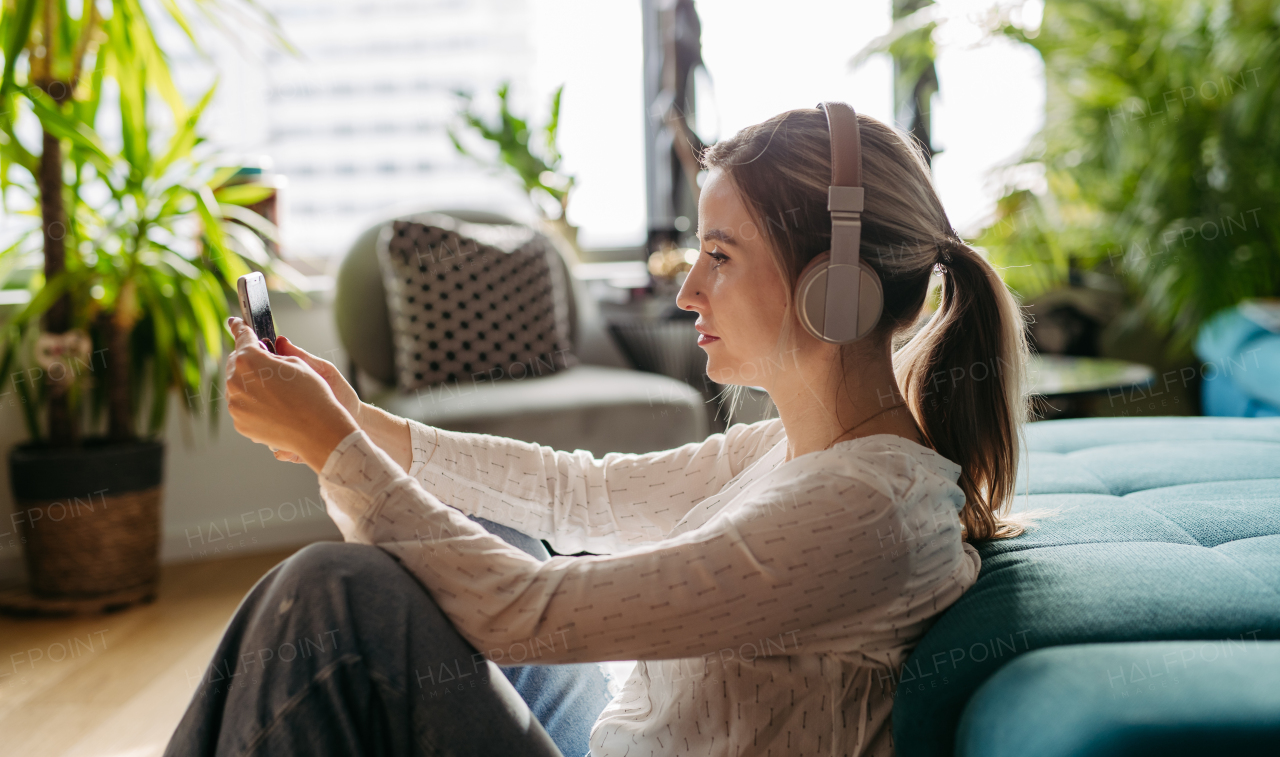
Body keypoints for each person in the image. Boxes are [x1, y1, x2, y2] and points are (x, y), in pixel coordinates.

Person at [165, 106, 1032, 757]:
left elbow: (525, 616)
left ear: (834, 289)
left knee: (335, 592)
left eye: (721, 256)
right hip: (627, 734)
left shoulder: (859, 509)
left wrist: (332, 449)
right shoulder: (819, 448)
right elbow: (576, 492)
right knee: (472, 527)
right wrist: (360, 423)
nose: (689, 290)